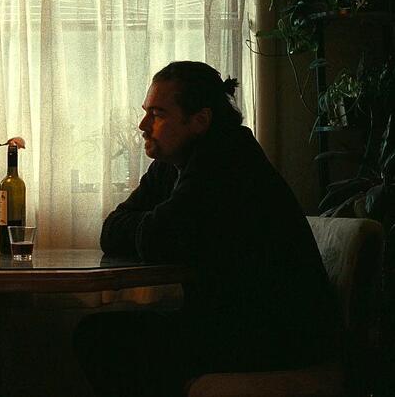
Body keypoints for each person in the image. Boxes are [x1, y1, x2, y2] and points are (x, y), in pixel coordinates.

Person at [73, 61, 339, 396]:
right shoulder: (174, 161)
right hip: (229, 321)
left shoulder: (227, 158)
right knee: (103, 336)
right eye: (146, 112)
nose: (143, 125)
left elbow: (158, 238)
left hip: (275, 335)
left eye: (157, 114)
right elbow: (112, 229)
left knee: (103, 339)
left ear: (200, 120)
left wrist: (150, 227)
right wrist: (150, 226)